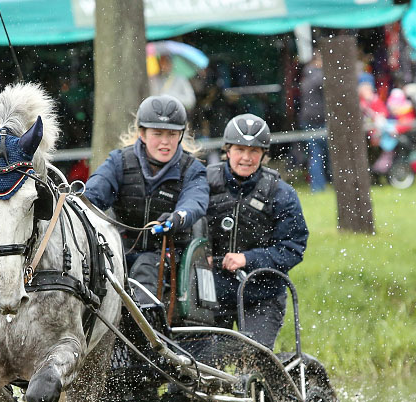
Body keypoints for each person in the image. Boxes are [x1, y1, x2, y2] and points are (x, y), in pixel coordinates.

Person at [84, 95, 209, 301]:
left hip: (168, 255)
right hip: (118, 250)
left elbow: (195, 202)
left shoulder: (193, 170)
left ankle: (141, 329)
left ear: (180, 135)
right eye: (157, 133)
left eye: (171, 134)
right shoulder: (119, 161)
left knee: (145, 265)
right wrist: (81, 203)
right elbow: (92, 195)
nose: (165, 141)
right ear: (142, 133)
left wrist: (177, 218)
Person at [205, 114, 308, 350]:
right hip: (210, 293)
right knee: (199, 364)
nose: (246, 158)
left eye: (254, 151)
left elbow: (292, 248)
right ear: (227, 150)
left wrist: (247, 259)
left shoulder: (282, 194)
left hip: (262, 295)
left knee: (254, 359)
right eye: (240, 149)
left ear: (264, 154)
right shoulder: (203, 183)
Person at [298, 50, 329, 193]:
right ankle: (322, 185)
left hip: (308, 118)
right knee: (323, 155)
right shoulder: (320, 77)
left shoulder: (306, 76)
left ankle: (317, 186)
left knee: (315, 155)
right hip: (320, 120)